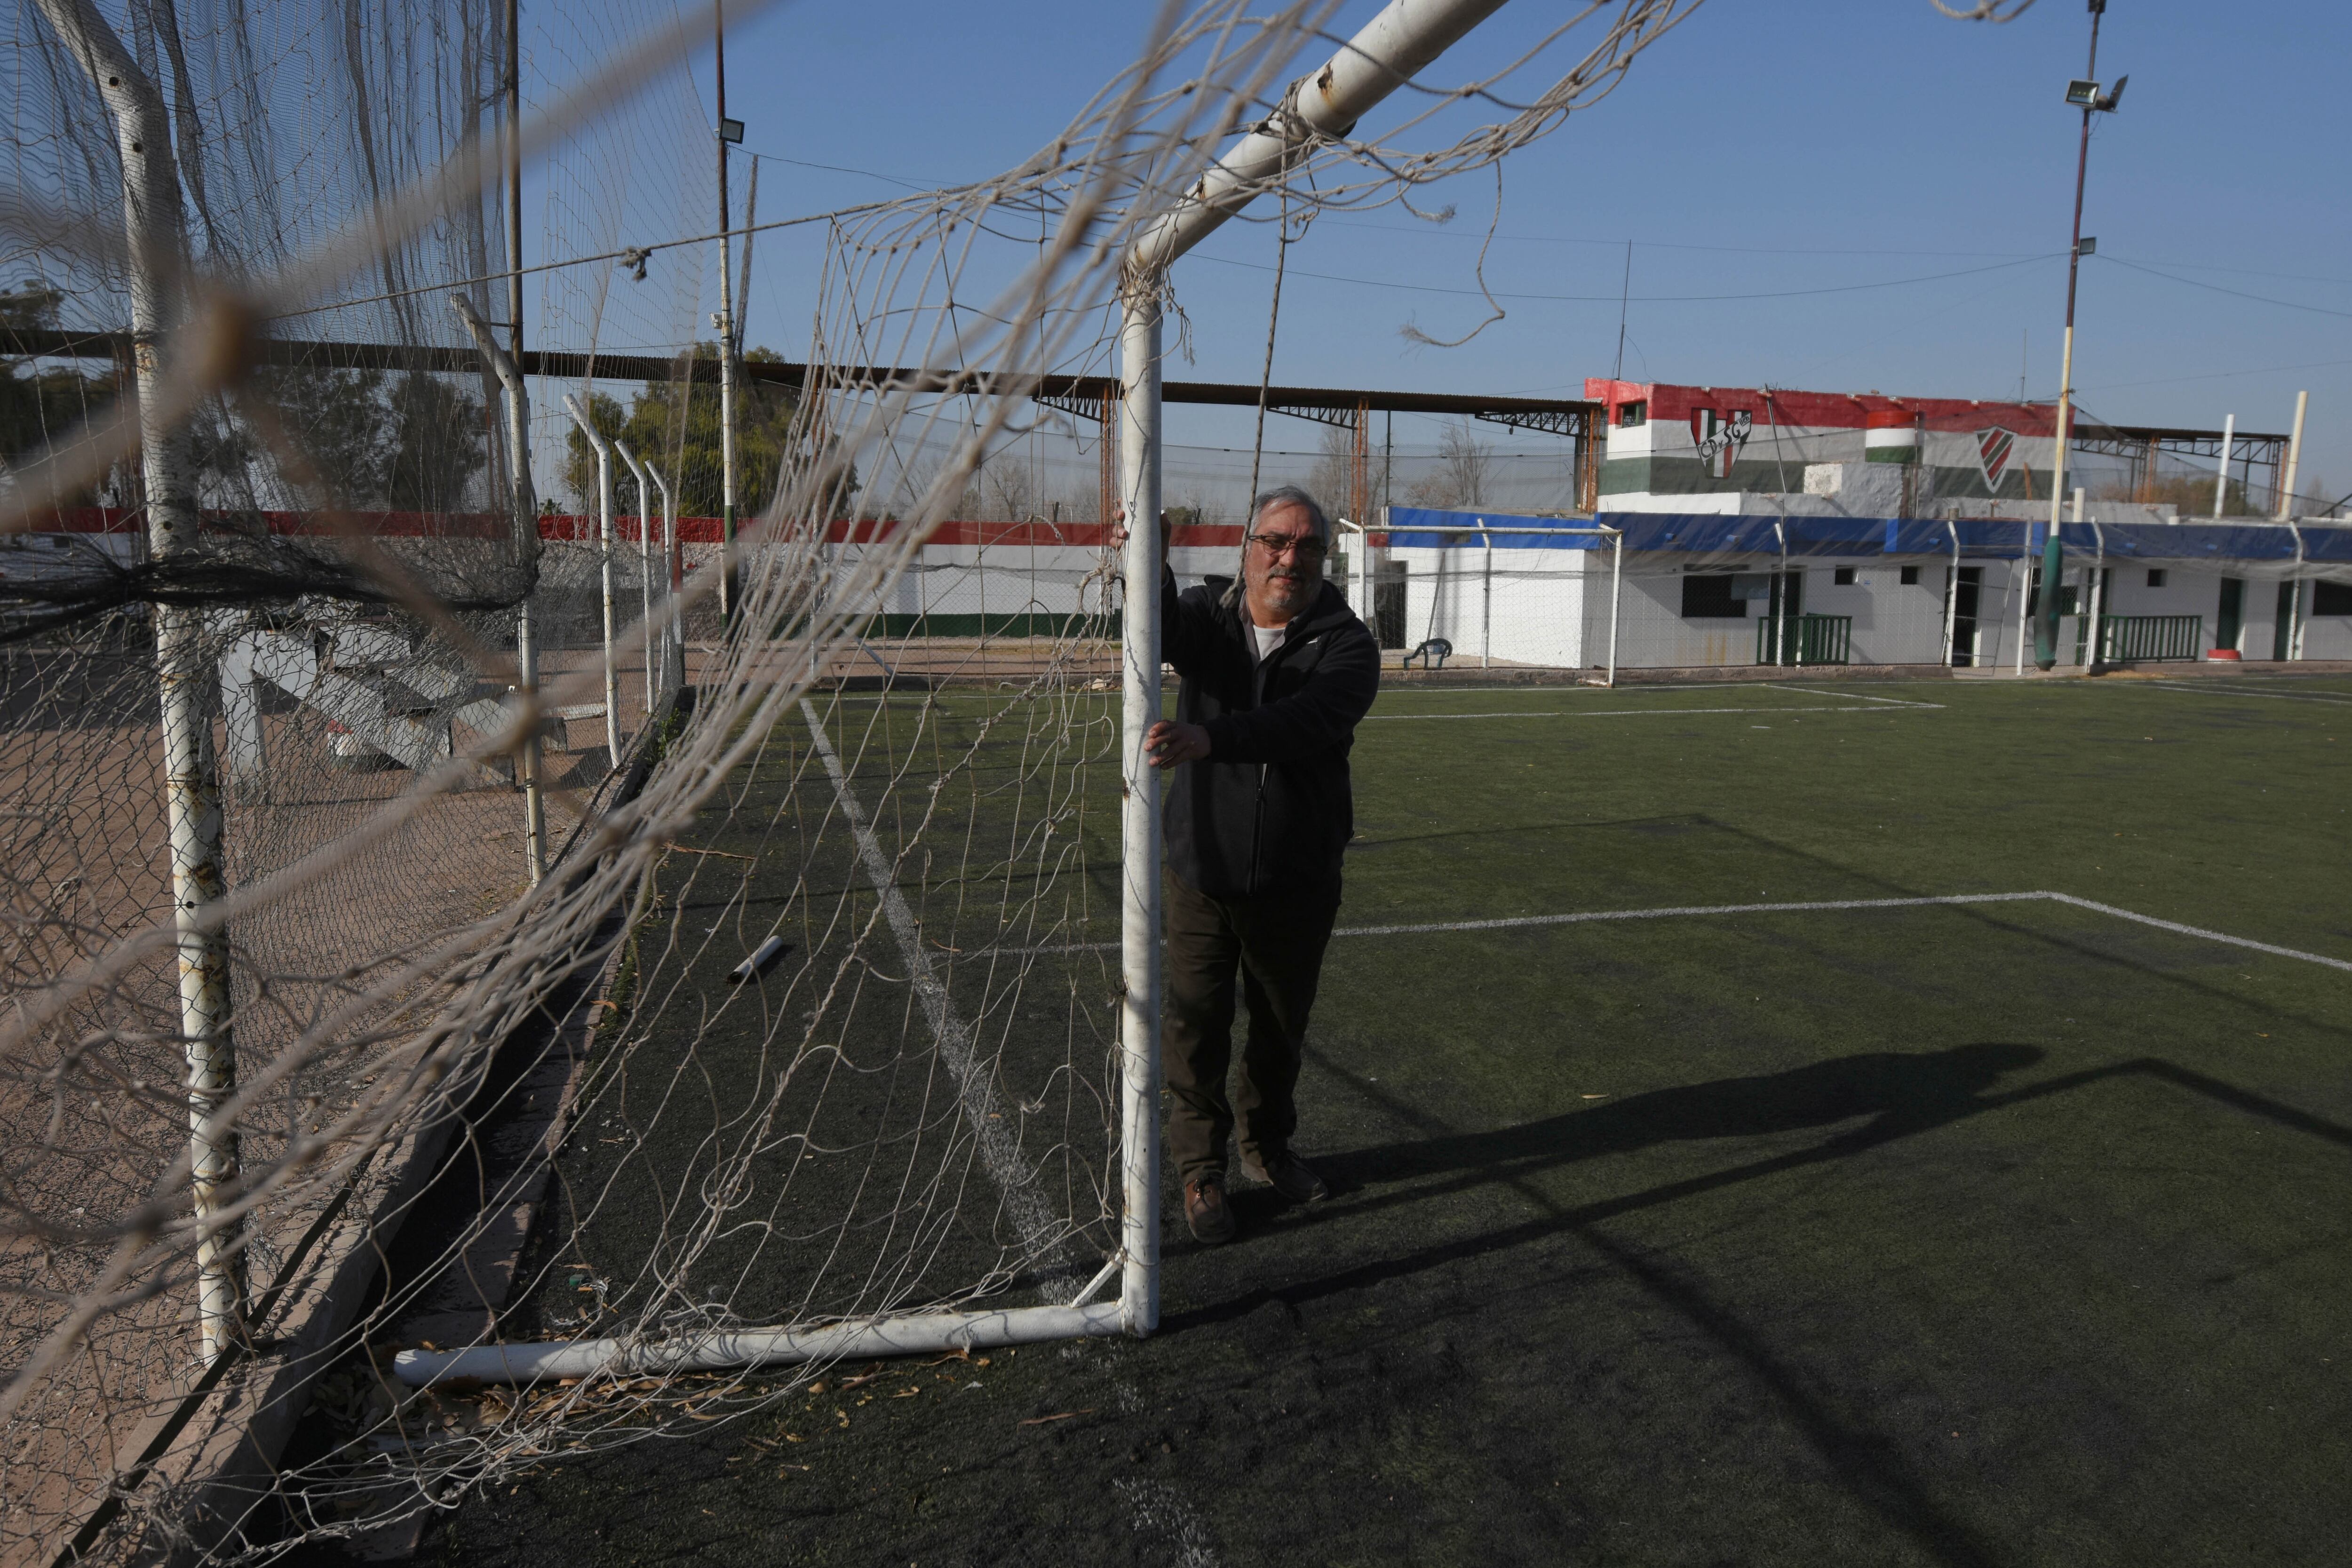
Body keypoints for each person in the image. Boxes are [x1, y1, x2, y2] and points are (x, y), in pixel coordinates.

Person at [1138, 484, 1380, 1244]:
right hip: (1200, 872)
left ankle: (1267, 1149)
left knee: (1279, 1031)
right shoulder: (1210, 623)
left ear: (1324, 559)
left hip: (1296, 880)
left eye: (1308, 546)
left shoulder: (1348, 645)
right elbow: (1152, 624)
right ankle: (1200, 1171)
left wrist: (1213, 739)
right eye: (1276, 541)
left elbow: (1304, 721)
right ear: (1247, 550)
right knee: (1195, 1025)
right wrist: (1149, 559)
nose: (1290, 558)